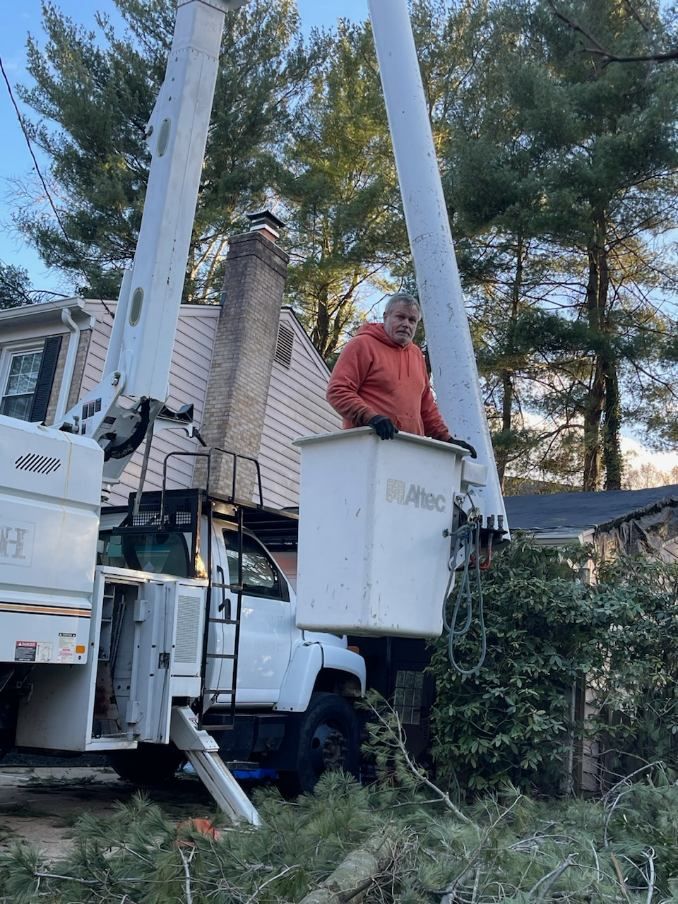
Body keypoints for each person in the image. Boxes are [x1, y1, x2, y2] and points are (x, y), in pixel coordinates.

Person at [327, 292, 476, 455]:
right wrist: (371, 418)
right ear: (386, 316)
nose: (406, 324)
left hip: (408, 451)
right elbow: (338, 391)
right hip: (368, 446)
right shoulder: (362, 345)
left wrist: (447, 440)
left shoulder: (417, 355)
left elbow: (426, 407)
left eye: (412, 320)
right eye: (400, 317)